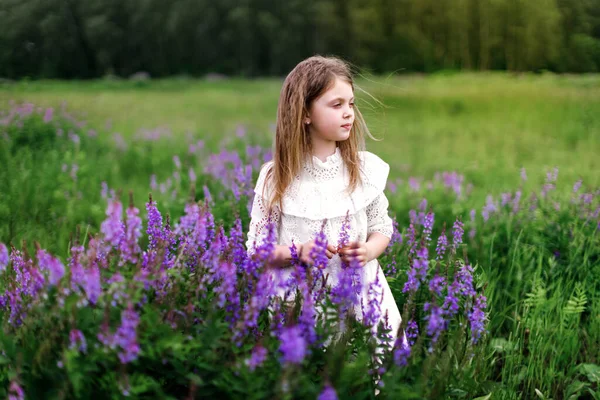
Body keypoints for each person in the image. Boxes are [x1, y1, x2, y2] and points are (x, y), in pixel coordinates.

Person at [245, 55, 403, 348]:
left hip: (362, 297)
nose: (349, 113)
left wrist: (368, 250)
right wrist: (298, 252)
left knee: (368, 376)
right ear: (305, 112)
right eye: (336, 105)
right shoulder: (276, 178)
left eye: (351, 103)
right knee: (315, 375)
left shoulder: (361, 169)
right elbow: (257, 250)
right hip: (301, 303)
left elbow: (383, 226)